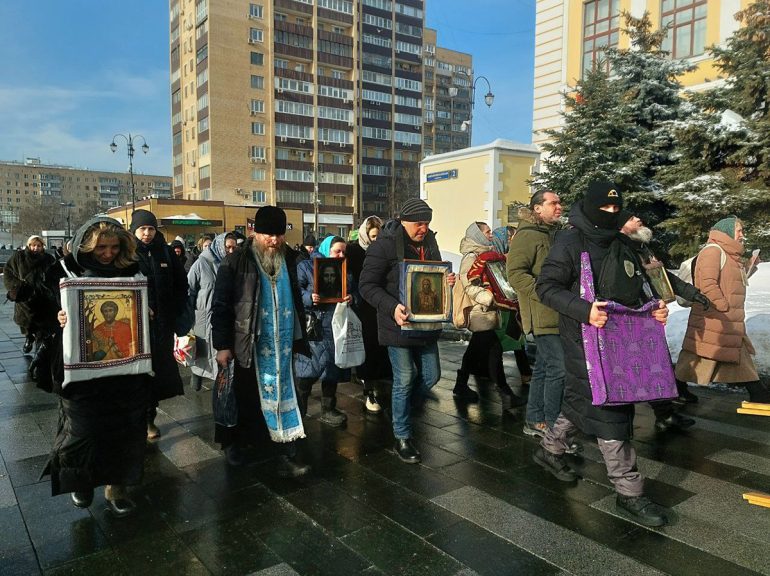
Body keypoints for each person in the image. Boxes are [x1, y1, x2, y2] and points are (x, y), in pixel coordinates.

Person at [535, 180, 670, 527]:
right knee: (612, 411)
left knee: (585, 399)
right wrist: (584, 310)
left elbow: (637, 285)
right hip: (583, 336)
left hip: (621, 338)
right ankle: (630, 492)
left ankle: (550, 449)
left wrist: (653, 308)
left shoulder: (622, 242)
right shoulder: (570, 240)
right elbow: (546, 287)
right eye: (605, 209)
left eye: (616, 208)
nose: (611, 214)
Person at [47, 217, 149, 517]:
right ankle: (82, 482)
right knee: (82, 430)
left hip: (126, 375)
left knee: (125, 430)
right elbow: (41, 312)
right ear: (86, 246)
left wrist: (147, 313)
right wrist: (59, 318)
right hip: (81, 376)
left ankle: (117, 486)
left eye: (114, 247)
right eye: (101, 247)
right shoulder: (65, 272)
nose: (108, 254)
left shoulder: (132, 273)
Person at [211, 206, 310, 475]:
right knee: (244, 397)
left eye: (279, 235)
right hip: (248, 341)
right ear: (255, 231)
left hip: (284, 341)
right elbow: (220, 305)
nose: (274, 241)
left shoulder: (290, 258)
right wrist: (222, 345)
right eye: (268, 235)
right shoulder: (236, 261)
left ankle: (284, 447)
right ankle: (235, 445)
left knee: (284, 393)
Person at [359, 197, 456, 464]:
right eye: (419, 223)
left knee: (432, 375)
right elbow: (366, 286)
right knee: (404, 378)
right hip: (397, 325)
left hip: (427, 324)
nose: (423, 228)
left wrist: (446, 280)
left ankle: (400, 407)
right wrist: (392, 307)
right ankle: (402, 436)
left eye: (427, 223)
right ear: (403, 221)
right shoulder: (385, 245)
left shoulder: (430, 242)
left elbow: (434, 274)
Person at [619, 211, 707, 431]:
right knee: (630, 369)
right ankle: (614, 423)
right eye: (632, 218)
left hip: (650, 313)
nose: (639, 219)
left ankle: (665, 414)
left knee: (657, 365)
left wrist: (692, 292)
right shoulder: (620, 248)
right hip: (629, 317)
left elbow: (661, 274)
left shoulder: (640, 247)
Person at [675, 216, 770, 404]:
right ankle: (758, 394)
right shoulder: (712, 251)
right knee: (702, 353)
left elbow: (733, 281)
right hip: (715, 315)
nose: (742, 234)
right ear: (727, 231)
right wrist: (722, 306)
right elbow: (707, 283)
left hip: (725, 316)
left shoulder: (730, 254)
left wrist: (752, 265)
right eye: (739, 230)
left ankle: (677, 388)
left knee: (728, 351)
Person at [507, 192, 565, 438]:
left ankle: (534, 419)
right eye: (553, 203)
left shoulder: (550, 233)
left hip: (558, 312)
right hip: (543, 314)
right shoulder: (528, 235)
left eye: (559, 202)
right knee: (559, 369)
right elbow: (516, 274)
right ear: (537, 208)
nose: (559, 207)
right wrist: (545, 294)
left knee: (542, 368)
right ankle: (553, 426)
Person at [456, 221, 527, 413]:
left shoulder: (485, 253)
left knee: (475, 349)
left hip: (488, 310)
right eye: (487, 232)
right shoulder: (472, 256)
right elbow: (468, 283)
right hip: (481, 310)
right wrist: (487, 297)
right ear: (477, 235)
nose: (490, 235)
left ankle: (460, 385)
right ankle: (505, 394)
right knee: (493, 349)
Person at [130, 209, 189, 440]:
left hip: (162, 326)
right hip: (135, 327)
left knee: (156, 374)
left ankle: (149, 418)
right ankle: (136, 418)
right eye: (143, 229)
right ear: (134, 230)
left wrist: (175, 310)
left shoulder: (164, 252)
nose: (147, 233)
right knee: (138, 374)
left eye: (151, 229)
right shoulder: (127, 253)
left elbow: (180, 285)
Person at [294, 235, 353, 427]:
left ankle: (329, 408)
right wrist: (309, 297)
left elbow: (355, 289)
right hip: (314, 327)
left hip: (336, 325)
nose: (341, 254)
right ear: (327, 249)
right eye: (337, 251)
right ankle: (298, 411)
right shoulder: (306, 266)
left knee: (331, 370)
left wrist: (352, 297)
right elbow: (296, 290)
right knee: (307, 370)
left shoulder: (344, 269)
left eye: (344, 251)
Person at [347, 215, 390, 414]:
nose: (375, 240)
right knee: (366, 345)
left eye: (378, 236)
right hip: (362, 305)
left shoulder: (384, 250)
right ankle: (368, 388)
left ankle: (379, 381)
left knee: (380, 345)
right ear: (365, 234)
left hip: (379, 304)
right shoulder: (355, 251)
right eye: (372, 236)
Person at [187, 233, 237, 391]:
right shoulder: (201, 263)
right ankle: (196, 383)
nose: (230, 251)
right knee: (202, 356)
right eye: (227, 247)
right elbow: (189, 289)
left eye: (233, 248)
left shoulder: (233, 265)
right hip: (204, 317)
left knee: (220, 355)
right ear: (219, 245)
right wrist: (188, 315)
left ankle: (220, 391)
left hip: (224, 316)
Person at [490, 225, 532, 386]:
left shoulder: (509, 256)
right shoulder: (492, 258)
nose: (512, 241)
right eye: (510, 238)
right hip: (500, 308)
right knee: (499, 344)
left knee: (517, 340)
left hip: (512, 306)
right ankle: (499, 380)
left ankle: (525, 373)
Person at [3, 235, 58, 354]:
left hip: (42, 297)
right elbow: (7, 270)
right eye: (33, 245)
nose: (36, 248)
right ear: (29, 245)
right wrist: (16, 285)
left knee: (42, 326)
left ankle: (39, 352)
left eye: (38, 245)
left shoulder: (48, 259)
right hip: (25, 297)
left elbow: (55, 274)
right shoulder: (19, 257)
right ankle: (29, 338)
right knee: (27, 323)